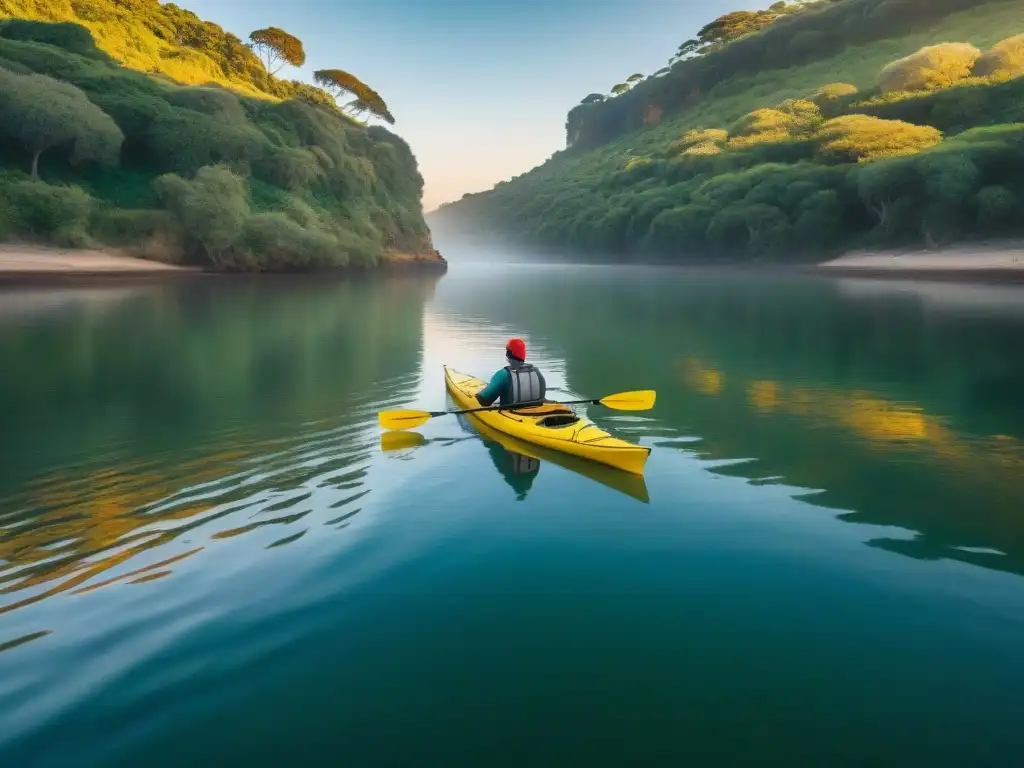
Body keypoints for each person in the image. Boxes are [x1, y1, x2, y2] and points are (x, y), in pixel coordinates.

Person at [475, 337, 547, 408]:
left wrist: (475, 396)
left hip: (510, 414)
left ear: (508, 354)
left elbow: (484, 401)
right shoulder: (537, 372)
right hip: (535, 412)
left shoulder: (504, 374)